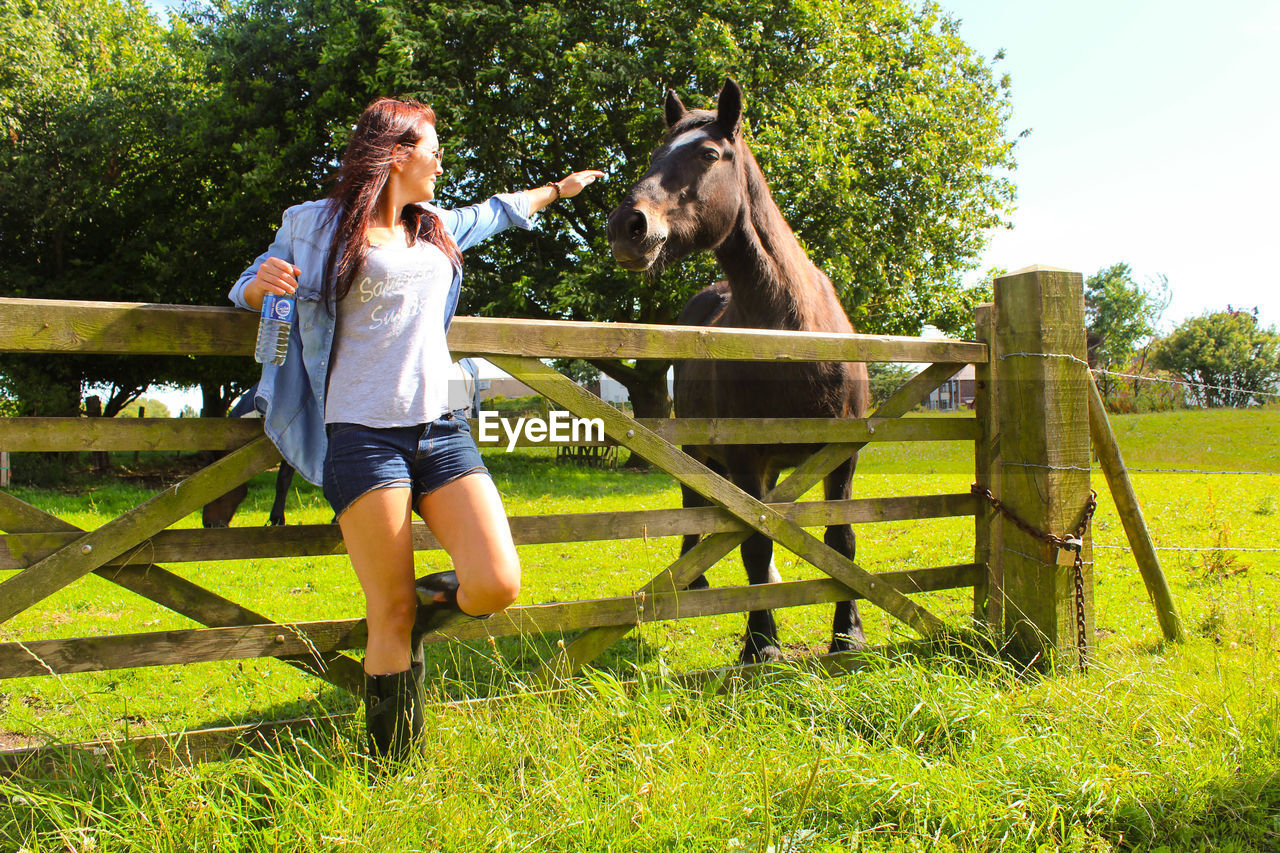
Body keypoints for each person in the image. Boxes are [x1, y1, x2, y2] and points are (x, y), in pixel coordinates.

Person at [228, 96, 604, 762]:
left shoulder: (433, 225)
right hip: (362, 435)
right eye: (434, 147)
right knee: (389, 614)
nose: (441, 159)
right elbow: (249, 288)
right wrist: (262, 286)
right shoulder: (313, 225)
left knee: (496, 581)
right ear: (398, 153)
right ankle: (393, 768)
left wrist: (558, 189)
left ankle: (414, 612)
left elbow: (496, 209)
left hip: (441, 427)